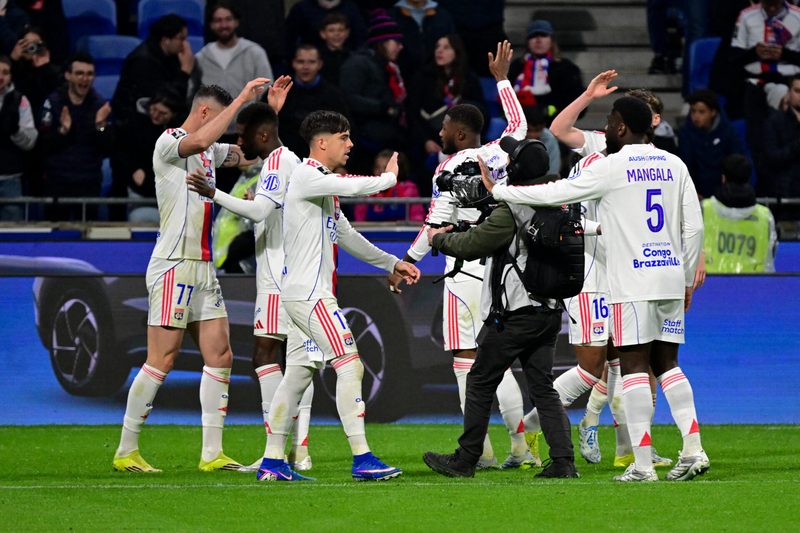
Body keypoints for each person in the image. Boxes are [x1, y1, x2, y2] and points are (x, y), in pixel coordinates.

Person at [485, 96, 709, 482]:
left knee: (635, 367)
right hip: (670, 276)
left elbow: (554, 195)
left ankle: (641, 465)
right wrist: (686, 277)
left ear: (622, 127)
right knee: (668, 365)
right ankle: (693, 450)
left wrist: (502, 191)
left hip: (632, 281)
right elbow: (695, 228)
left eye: (610, 121)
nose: (605, 127)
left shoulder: (612, 166)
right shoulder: (676, 164)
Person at [112, 77, 270, 473]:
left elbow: (249, 153)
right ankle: (126, 449)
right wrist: (240, 101)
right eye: (218, 118)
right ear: (203, 113)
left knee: (221, 355)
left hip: (202, 268)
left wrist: (271, 111)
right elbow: (201, 142)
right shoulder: (171, 141)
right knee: (161, 358)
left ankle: (211, 453)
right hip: (172, 266)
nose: (223, 128)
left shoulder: (209, 152)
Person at [254, 110, 421, 482]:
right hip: (311, 296)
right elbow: (359, 188)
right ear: (322, 142)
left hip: (302, 295)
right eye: (344, 138)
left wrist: (392, 263)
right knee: (349, 363)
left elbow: (346, 237)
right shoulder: (307, 176)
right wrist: (389, 178)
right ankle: (362, 458)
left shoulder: (322, 186)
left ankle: (272, 462)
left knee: (297, 375)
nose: (351, 144)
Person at [547, 69, 700, 468]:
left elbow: (680, 219)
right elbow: (560, 128)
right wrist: (587, 95)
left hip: (629, 270)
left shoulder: (652, 159)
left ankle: (631, 452)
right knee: (596, 365)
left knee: (628, 363)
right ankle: (534, 427)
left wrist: (696, 260)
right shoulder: (601, 149)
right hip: (595, 270)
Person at [394, 41, 534, 469]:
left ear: (459, 133)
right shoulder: (496, 154)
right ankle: (521, 449)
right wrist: (503, 79)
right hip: (504, 269)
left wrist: (409, 261)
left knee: (464, 361)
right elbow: (520, 124)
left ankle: (482, 453)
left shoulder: (448, 168)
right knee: (499, 360)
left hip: (465, 270)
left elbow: (435, 225)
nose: (438, 134)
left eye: (444, 129)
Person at [422, 138, 578, 479]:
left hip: (516, 315)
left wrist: (439, 239)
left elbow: (477, 244)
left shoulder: (512, 208)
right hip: (549, 311)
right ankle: (564, 461)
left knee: (479, 380)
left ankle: (466, 458)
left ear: (517, 170)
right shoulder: (557, 201)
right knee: (542, 387)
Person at [187, 76, 317, 473]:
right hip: (283, 270)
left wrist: (214, 194)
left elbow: (261, 211)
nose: (238, 143)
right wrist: (270, 112)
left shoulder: (278, 161)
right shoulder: (280, 160)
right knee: (289, 359)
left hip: (279, 274)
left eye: (243, 135)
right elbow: (264, 147)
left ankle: (277, 448)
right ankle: (294, 448)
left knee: (268, 354)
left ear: (260, 135)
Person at [730, 0, 800, 191]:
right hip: (755, 86)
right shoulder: (746, 16)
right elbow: (733, 57)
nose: (770, 7)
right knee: (757, 144)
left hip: (790, 85)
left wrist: (784, 54)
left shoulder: (797, 16)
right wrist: (755, 52)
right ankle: (764, 191)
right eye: (767, 3)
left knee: (788, 142)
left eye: (775, 3)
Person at [39, 53, 112, 221]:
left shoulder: (99, 105)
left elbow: (108, 147)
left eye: (89, 74)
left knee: (88, 238)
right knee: (54, 238)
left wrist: (100, 126)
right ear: (68, 75)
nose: (84, 79)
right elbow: (42, 146)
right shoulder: (53, 102)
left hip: (88, 182)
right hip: (57, 182)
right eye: (79, 73)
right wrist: (63, 132)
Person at [340, 10, 407, 173]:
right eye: (396, 41)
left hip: (384, 140)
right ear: (383, 42)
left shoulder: (389, 67)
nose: (400, 47)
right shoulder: (358, 63)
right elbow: (348, 98)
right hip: (364, 145)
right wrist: (383, 107)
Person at [406, 34, 484, 166]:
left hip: (463, 139)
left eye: (446, 47)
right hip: (430, 138)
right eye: (437, 47)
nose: (439, 51)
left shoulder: (468, 78)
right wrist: (426, 141)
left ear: (456, 52)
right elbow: (411, 113)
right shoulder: (422, 77)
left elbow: (481, 111)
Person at [113, 14, 199, 132]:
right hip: (136, 128)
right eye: (181, 38)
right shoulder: (142, 62)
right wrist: (185, 71)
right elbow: (164, 103)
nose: (185, 45)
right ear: (166, 40)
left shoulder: (172, 56)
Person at [196, 1, 274, 129]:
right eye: (218, 20)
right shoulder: (201, 57)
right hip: (210, 132)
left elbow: (267, 90)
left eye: (228, 19)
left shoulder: (255, 52)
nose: (223, 25)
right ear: (211, 25)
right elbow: (193, 94)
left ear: (236, 22)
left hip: (247, 129)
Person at [111, 91, 183, 224]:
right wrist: (134, 170)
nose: (155, 115)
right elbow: (121, 154)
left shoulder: (179, 135)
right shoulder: (133, 125)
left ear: (173, 114)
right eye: (154, 109)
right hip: (136, 188)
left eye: (162, 113)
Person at [703, 154, 777, 273]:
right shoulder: (765, 216)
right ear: (748, 178)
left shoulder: (703, 210)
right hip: (753, 287)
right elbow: (769, 259)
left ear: (723, 178)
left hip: (709, 286)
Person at [275, 44, 349, 159]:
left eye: (311, 62)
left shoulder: (334, 95)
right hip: (284, 159)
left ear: (320, 64)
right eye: (301, 62)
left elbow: (345, 130)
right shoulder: (279, 92)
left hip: (325, 162)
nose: (306, 67)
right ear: (293, 63)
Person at [508, 19, 584, 124]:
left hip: (554, 124)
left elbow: (578, 105)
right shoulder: (516, 67)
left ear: (552, 40)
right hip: (520, 122)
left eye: (543, 35)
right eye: (533, 36)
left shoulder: (567, 68)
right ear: (527, 42)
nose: (538, 40)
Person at [679, 89, 745, 198]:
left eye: (701, 112)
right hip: (697, 194)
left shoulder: (728, 132)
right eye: (693, 111)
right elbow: (686, 164)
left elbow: (735, 161)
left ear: (713, 112)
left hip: (724, 193)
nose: (696, 116)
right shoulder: (686, 133)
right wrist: (691, 191)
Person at [0, 53, 36, 220]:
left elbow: (30, 141)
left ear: (10, 76)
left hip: (10, 179)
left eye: (5, 72)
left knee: (14, 234)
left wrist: (15, 131)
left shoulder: (20, 101)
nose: (1, 77)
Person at [353, 149, 425, 222]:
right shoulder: (366, 190)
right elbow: (359, 222)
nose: (381, 172)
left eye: (385, 168)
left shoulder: (409, 188)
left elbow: (417, 219)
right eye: (377, 167)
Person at [392, 0, 455, 80]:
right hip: (400, 82)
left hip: (438, 82)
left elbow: (454, 49)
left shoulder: (443, 16)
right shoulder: (390, 17)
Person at [763, 73, 800, 198]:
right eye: (797, 91)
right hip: (785, 193)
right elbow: (771, 157)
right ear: (789, 93)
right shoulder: (774, 122)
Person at [285, 0, 367, 53]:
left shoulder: (352, 8)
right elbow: (289, 41)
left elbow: (361, 39)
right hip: (312, 65)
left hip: (348, 59)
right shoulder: (301, 9)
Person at [522, 105, 560, 175]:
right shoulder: (513, 136)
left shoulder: (549, 138)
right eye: (529, 130)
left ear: (543, 126)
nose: (533, 135)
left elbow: (553, 172)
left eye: (537, 130)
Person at [318, 12, 351, 85]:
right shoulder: (317, 58)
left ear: (347, 33)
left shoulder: (352, 57)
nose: (336, 34)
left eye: (340, 30)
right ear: (323, 34)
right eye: (331, 30)